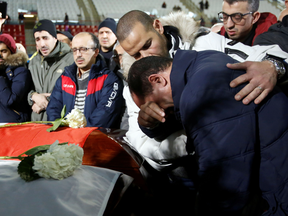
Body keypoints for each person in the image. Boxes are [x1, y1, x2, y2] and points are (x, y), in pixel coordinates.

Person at [127, 50, 288, 215]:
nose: (158, 110)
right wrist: (150, 125)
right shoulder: (200, 63)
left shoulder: (201, 92)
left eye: (153, 104)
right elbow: (182, 116)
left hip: (278, 193)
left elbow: (226, 186)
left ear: (157, 80)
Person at [116, 10, 288, 161]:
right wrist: (151, 126)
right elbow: (143, 144)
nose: (144, 56)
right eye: (136, 55)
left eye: (147, 45)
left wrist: (273, 67)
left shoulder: (205, 43)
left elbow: (263, 57)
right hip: (188, 175)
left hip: (248, 154)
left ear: (158, 26)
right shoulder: (133, 86)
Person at [46, 32, 124, 128]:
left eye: (83, 49)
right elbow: (53, 108)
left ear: (96, 52)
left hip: (93, 139)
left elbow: (105, 115)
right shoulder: (64, 78)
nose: (78, 54)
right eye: (74, 50)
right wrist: (60, 131)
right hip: (65, 139)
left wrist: (82, 135)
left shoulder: (110, 79)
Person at [28, 19, 74, 121]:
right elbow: (26, 90)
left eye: (45, 38)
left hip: (60, 122)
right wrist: (32, 96)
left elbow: (74, 93)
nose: (42, 44)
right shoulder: (33, 62)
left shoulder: (71, 60)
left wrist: (43, 101)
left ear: (55, 38)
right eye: (38, 39)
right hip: (36, 123)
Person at [0, 34, 33, 123]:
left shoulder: (21, 71)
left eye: (3, 51)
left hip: (14, 124)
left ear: (12, 51)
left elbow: (10, 100)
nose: (0, 55)